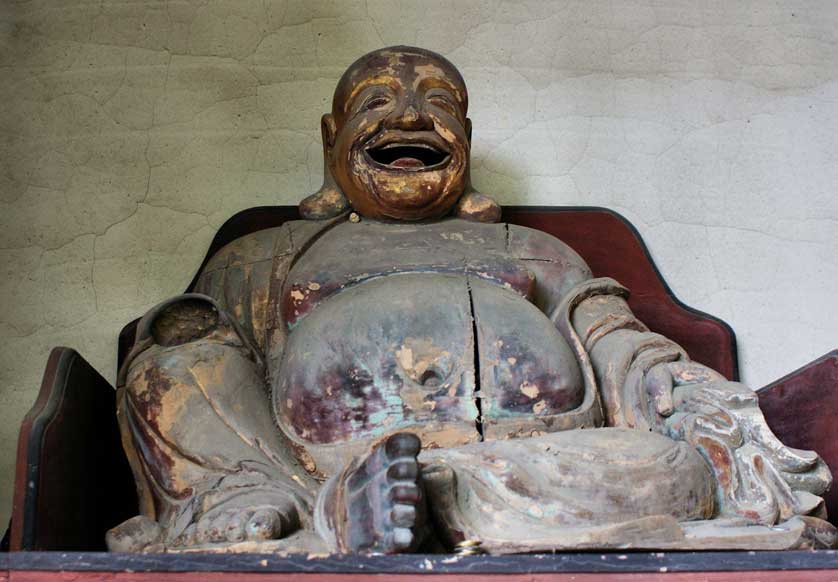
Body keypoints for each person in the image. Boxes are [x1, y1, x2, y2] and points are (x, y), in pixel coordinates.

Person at [106, 46, 834, 554]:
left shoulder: (538, 254)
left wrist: (666, 384)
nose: (411, 117)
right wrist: (188, 349)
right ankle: (306, 506)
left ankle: (401, 505)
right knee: (168, 358)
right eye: (377, 102)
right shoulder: (259, 259)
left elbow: (618, 343)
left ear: (467, 138)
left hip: (533, 461)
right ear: (332, 140)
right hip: (300, 471)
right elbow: (190, 375)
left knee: (671, 470)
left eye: (438, 103)